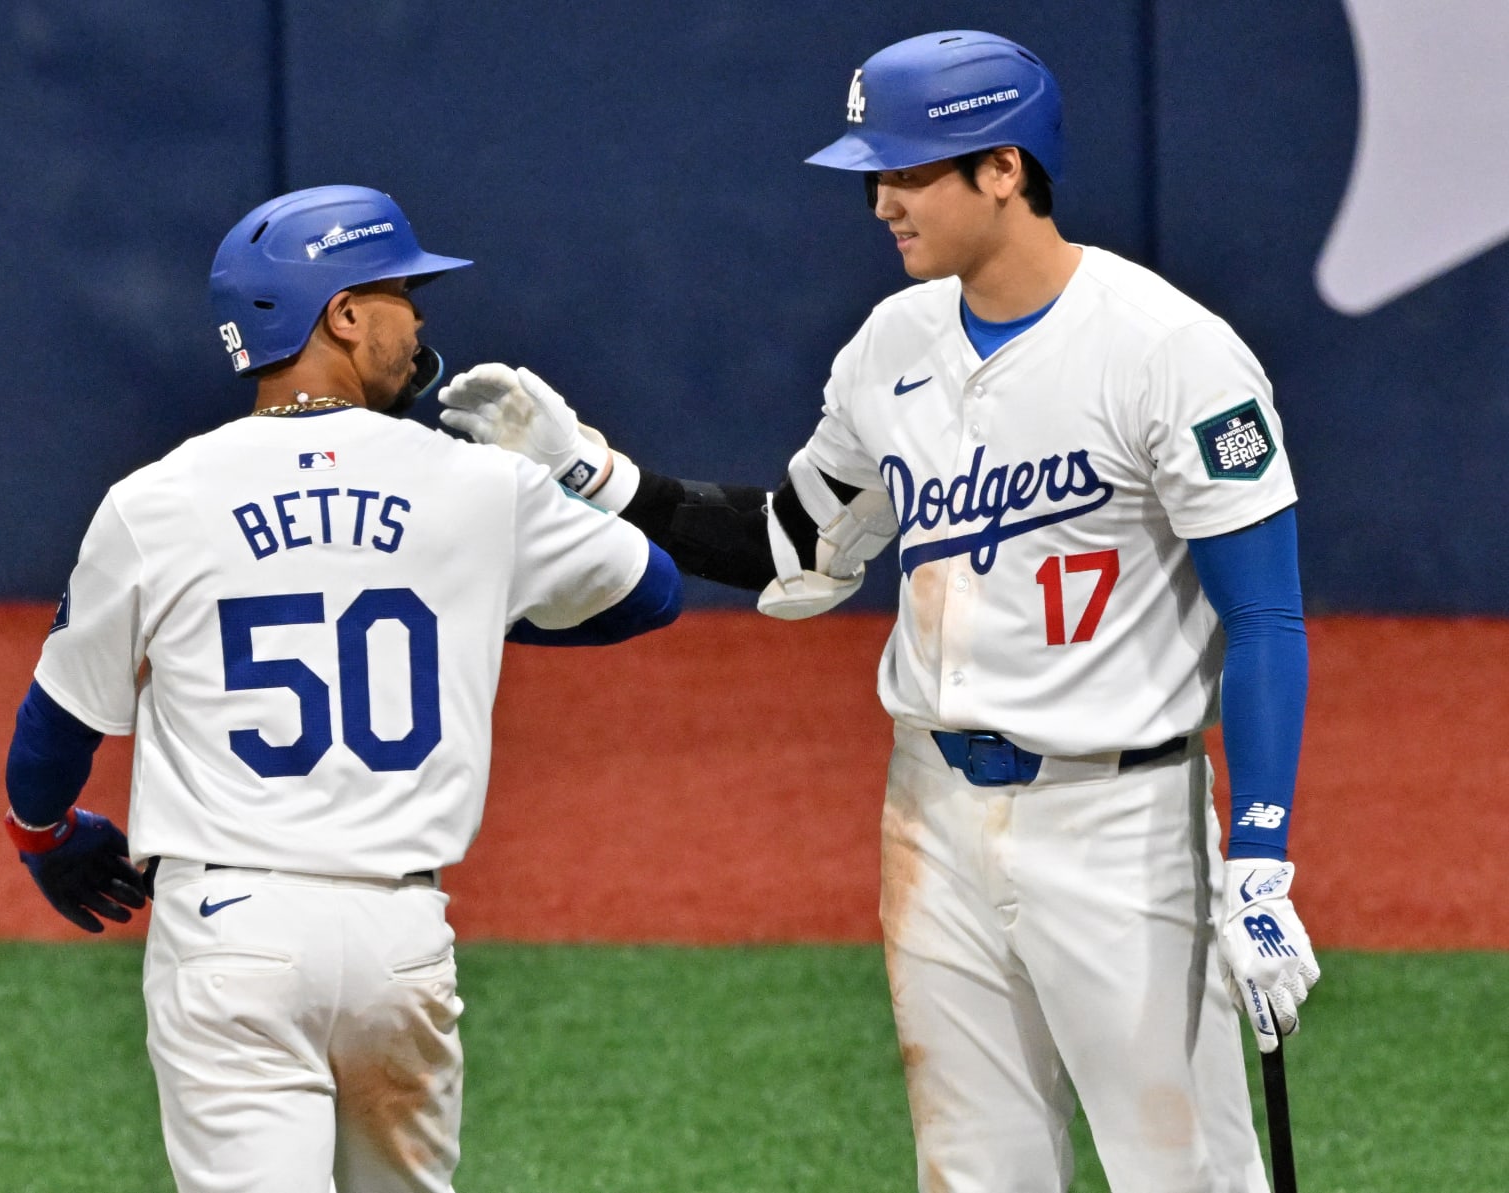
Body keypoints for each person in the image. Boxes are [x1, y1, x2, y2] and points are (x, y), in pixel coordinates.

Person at [436, 31, 1318, 1193]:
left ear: (1003, 169)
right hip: (934, 816)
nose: (880, 202)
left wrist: (1259, 855)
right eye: (875, 175)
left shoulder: (1175, 354)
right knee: (971, 1174)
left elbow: (1267, 618)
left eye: (907, 173)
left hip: (1125, 823)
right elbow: (795, 550)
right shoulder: (890, 348)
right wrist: (596, 469)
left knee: (1183, 1172)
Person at [0, 184, 682, 1193]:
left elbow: (52, 729)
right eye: (401, 291)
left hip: (231, 932)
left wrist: (46, 838)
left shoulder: (156, 498)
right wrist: (514, 537)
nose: (420, 318)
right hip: (400, 945)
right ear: (343, 314)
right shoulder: (477, 485)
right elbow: (650, 590)